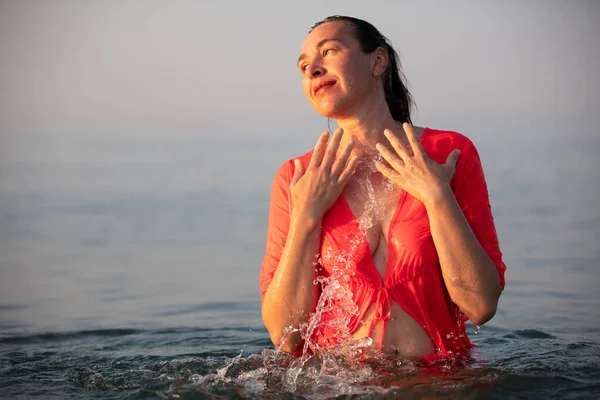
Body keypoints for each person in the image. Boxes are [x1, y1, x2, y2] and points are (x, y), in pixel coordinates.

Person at [259, 15, 506, 361]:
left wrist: (437, 196)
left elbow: (480, 305)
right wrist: (305, 216)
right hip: (335, 386)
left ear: (377, 61)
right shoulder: (297, 176)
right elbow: (284, 336)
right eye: (303, 66)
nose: (312, 68)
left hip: (437, 384)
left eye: (328, 51)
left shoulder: (448, 153)